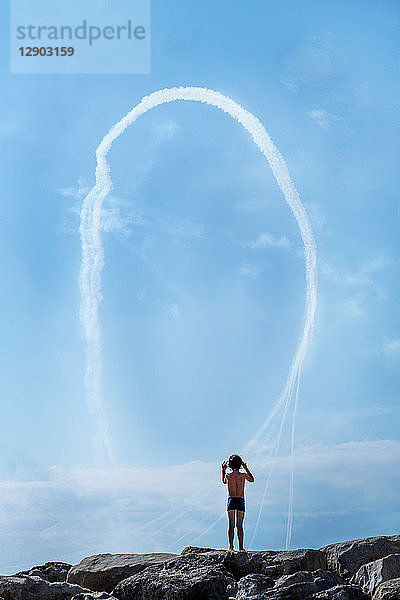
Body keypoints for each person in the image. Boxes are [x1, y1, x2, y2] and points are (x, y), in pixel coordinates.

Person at [221, 454, 254, 551]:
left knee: (231, 525)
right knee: (239, 525)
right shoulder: (243, 475)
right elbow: (252, 479)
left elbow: (224, 481)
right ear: (240, 464)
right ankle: (241, 547)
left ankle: (231, 547)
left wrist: (223, 470)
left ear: (230, 465)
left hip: (231, 500)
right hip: (240, 500)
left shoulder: (228, 476)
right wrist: (246, 468)